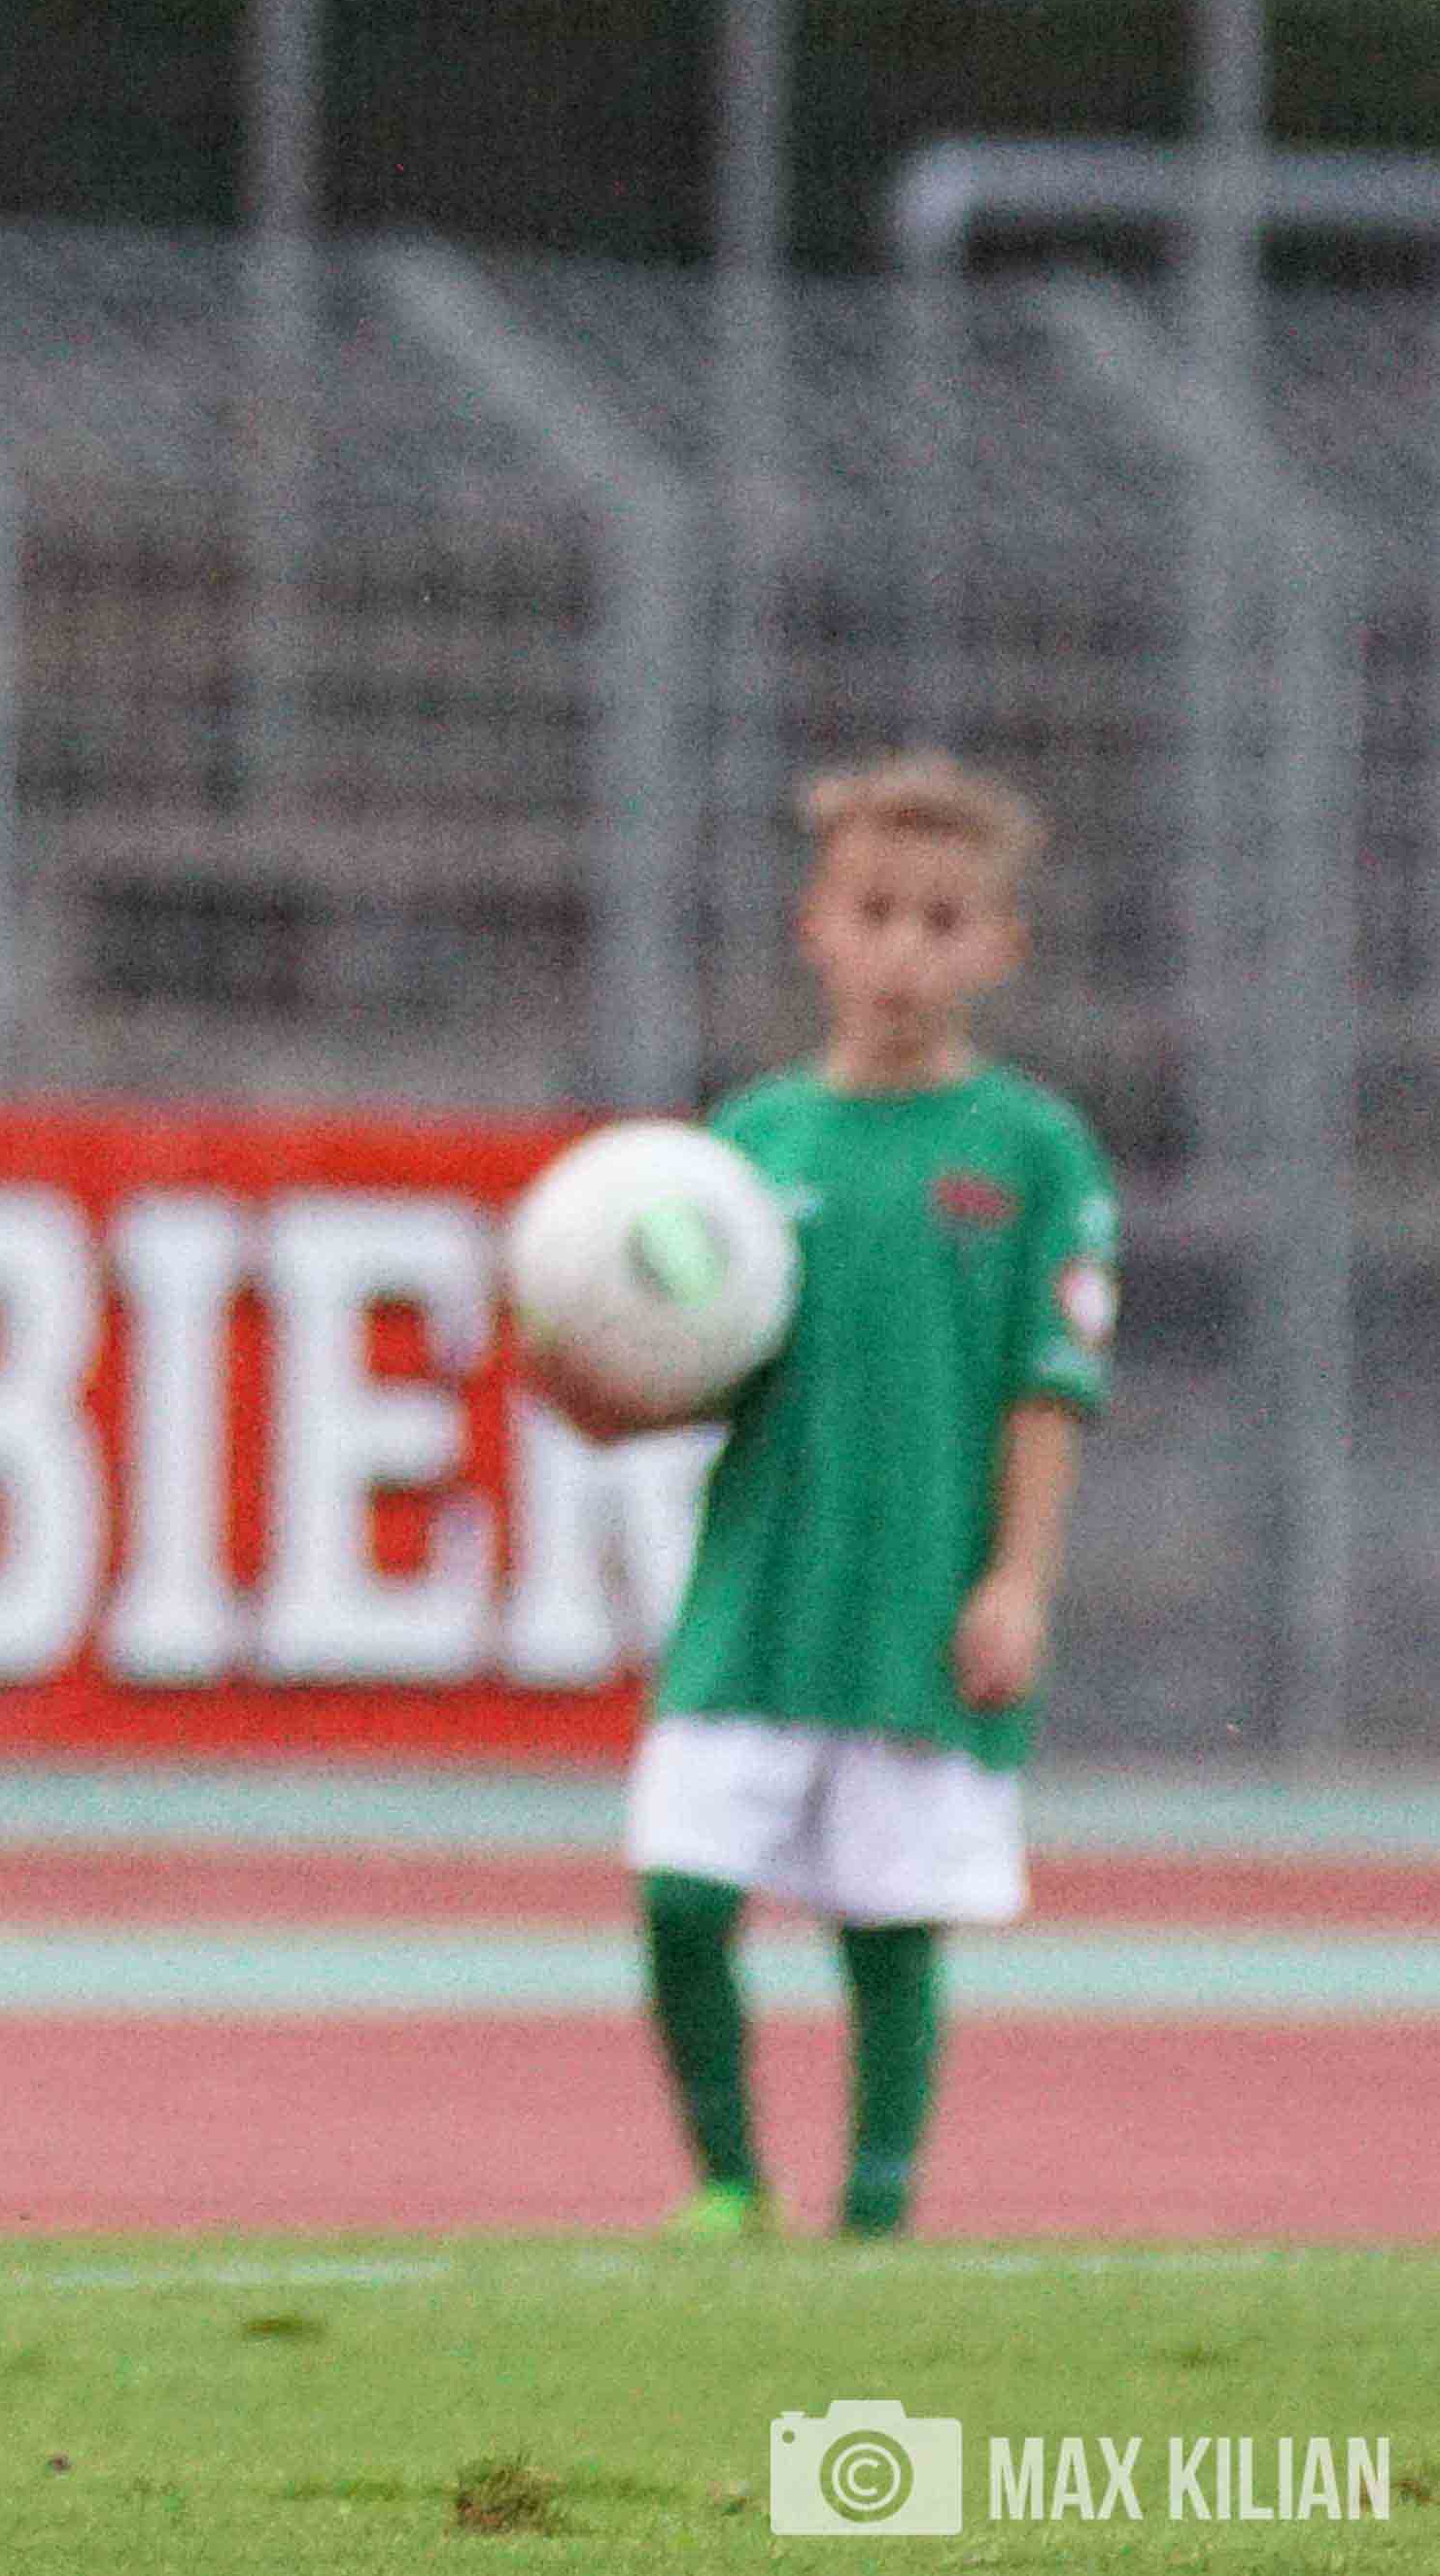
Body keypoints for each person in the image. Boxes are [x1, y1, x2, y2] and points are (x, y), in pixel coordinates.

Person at [531, 752, 1117, 2244]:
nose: (905, 950)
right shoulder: (747, 1149)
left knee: (889, 1923)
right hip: (758, 1596)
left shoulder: (1033, 1151)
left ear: (1000, 947)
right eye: (877, 912)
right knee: (680, 1896)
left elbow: (1048, 1385)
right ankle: (730, 2179)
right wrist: (608, 1397)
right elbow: (709, 1370)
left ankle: (876, 2209)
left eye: (943, 919)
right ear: (818, 927)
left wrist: (1019, 1580)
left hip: (919, 1596)